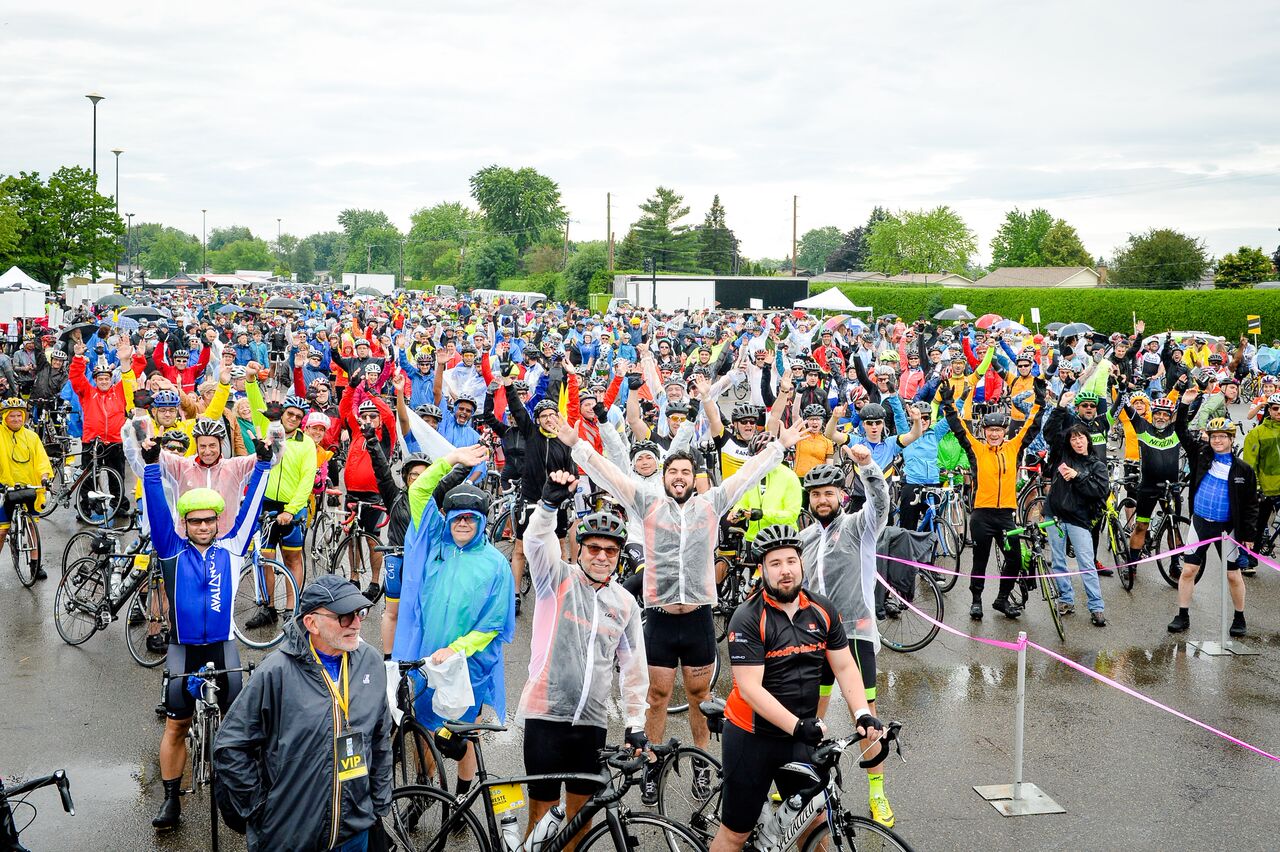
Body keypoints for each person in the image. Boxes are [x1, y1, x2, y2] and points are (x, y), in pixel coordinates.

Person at [562, 416, 807, 804]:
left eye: (686, 471)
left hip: (697, 620)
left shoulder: (710, 505)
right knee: (656, 697)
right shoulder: (647, 503)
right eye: (673, 471)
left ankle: (701, 766)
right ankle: (651, 767)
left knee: (700, 695)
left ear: (694, 478)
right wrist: (578, 447)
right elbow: (609, 474)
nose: (679, 476)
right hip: (659, 619)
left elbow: (746, 475)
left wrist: (779, 448)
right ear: (664, 477)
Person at [712, 524, 884, 852]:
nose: (785, 571)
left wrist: (862, 713)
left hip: (799, 736)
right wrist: (798, 726)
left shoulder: (822, 610)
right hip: (752, 738)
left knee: (811, 823)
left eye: (791, 561)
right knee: (735, 834)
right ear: (762, 570)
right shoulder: (747, 618)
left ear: (802, 564)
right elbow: (750, 689)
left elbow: (845, 666)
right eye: (775, 564)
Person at [142, 443, 272, 831]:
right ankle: (170, 800)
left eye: (208, 521)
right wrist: (151, 468)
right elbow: (157, 509)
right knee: (176, 727)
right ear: (185, 524)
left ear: (218, 521)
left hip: (223, 646)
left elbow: (251, 508)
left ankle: (238, 792)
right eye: (194, 521)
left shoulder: (232, 549)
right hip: (183, 651)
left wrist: (263, 463)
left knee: (238, 727)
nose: (202, 527)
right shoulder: (170, 550)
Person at [516, 470, 648, 851]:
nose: (602, 557)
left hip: (591, 725)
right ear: (579, 550)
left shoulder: (623, 602)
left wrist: (636, 722)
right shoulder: (555, 580)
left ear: (619, 556)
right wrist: (547, 505)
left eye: (611, 551)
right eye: (594, 548)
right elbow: (536, 543)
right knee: (541, 824)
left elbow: (635, 669)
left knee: (578, 825)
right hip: (545, 718)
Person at [213, 575, 393, 852]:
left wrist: (378, 804)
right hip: (291, 837)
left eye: (359, 613)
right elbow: (231, 746)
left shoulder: (370, 661)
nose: (357, 623)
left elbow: (380, 737)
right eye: (345, 617)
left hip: (356, 831)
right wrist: (262, 810)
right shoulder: (276, 672)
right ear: (312, 623)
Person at [391, 442, 514, 803]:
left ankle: (461, 794)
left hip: (466, 664)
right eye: (456, 516)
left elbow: (494, 624)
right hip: (427, 657)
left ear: (481, 522)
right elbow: (418, 490)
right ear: (447, 518)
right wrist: (451, 460)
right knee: (423, 727)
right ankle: (424, 788)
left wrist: (456, 650)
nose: (462, 523)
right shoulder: (435, 541)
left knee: (459, 735)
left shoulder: (495, 564)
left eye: (470, 518)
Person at [797, 455, 895, 826]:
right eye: (816, 495)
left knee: (866, 717)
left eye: (829, 493)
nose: (822, 500)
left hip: (854, 634)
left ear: (842, 494)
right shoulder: (805, 538)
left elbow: (881, 502)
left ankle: (877, 791)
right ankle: (801, 775)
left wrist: (869, 466)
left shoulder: (859, 526)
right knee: (810, 712)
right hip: (813, 636)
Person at [940, 376, 1045, 620]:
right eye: (990, 430)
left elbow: (1032, 425)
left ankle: (1001, 599)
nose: (994, 434)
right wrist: (948, 402)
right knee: (980, 560)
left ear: (1005, 431)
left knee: (1015, 558)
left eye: (998, 430)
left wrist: (1040, 401)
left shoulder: (1014, 447)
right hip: (981, 515)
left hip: (1005, 515)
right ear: (984, 431)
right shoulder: (976, 448)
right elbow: (959, 427)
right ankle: (976, 600)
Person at [1169, 392, 1258, 636]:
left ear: (1231, 439)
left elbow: (1251, 505)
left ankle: (1239, 618)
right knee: (1188, 571)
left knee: (1232, 574)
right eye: (1214, 436)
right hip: (1200, 523)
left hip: (1227, 528)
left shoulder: (1243, 469)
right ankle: (1182, 615)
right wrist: (1185, 404)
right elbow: (1181, 431)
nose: (1218, 441)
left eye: (1223, 437)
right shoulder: (1201, 453)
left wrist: (1248, 536)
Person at [243, 382, 318, 629]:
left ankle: (291, 608)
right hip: (266, 504)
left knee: (292, 559)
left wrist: (291, 510)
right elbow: (255, 406)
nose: (293, 419)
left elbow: (307, 480)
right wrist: (251, 381)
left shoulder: (306, 444)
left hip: (291, 508)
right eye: (290, 414)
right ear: (283, 413)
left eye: (298, 416)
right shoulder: (269, 430)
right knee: (265, 557)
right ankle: (268, 607)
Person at [1045, 424, 1110, 626]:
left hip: (1079, 519)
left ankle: (1096, 607)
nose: (1078, 442)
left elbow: (1100, 491)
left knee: (1086, 563)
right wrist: (1062, 405)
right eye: (1073, 439)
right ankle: (1065, 600)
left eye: (1081, 437)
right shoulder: (1062, 455)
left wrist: (1077, 476)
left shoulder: (1097, 465)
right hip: (1054, 516)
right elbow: (1051, 431)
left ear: (1088, 440)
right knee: (1058, 561)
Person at [0, 398, 51, 579]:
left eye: (19, 415)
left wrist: (44, 478)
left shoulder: (32, 437)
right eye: (11, 416)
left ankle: (35, 565)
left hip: (30, 488)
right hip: (6, 489)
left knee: (32, 526)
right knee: (2, 530)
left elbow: (42, 461)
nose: (16, 419)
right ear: (5, 418)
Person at [1241, 392, 1280, 575]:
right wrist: (1256, 488)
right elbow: (1250, 465)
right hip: (1266, 489)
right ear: (1269, 410)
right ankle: (1250, 559)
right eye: (1275, 408)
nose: (1279, 412)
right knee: (1256, 526)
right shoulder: (1256, 434)